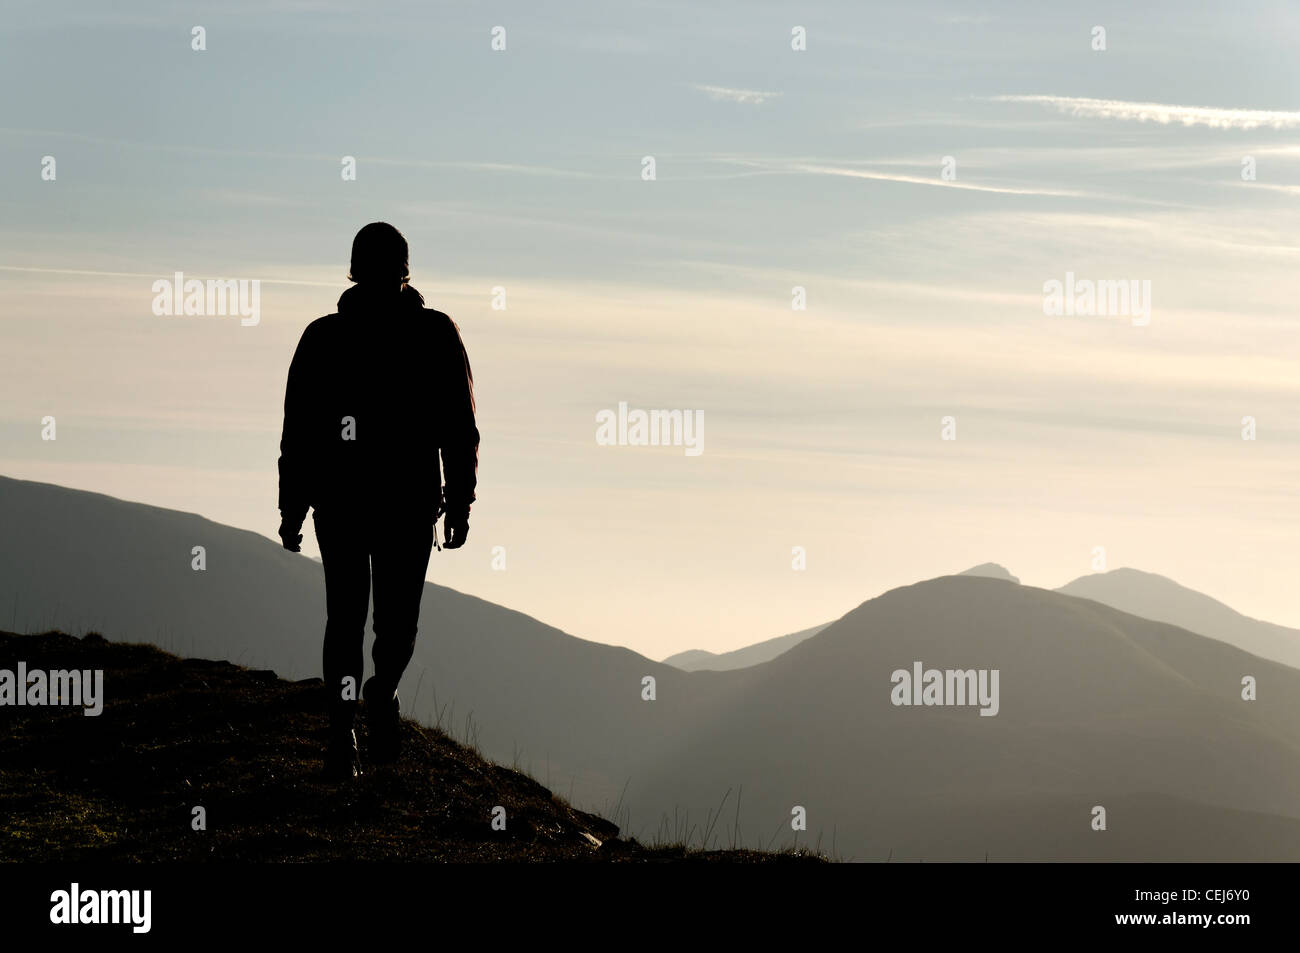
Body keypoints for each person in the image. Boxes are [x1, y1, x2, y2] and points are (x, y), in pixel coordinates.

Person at [276, 222, 479, 780]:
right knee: (379, 623)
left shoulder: (326, 337)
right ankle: (358, 716)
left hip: (360, 504)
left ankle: (360, 710)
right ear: (402, 269)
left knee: (362, 621)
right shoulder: (430, 334)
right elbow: (459, 429)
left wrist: (292, 507)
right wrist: (459, 502)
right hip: (395, 505)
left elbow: (299, 433)